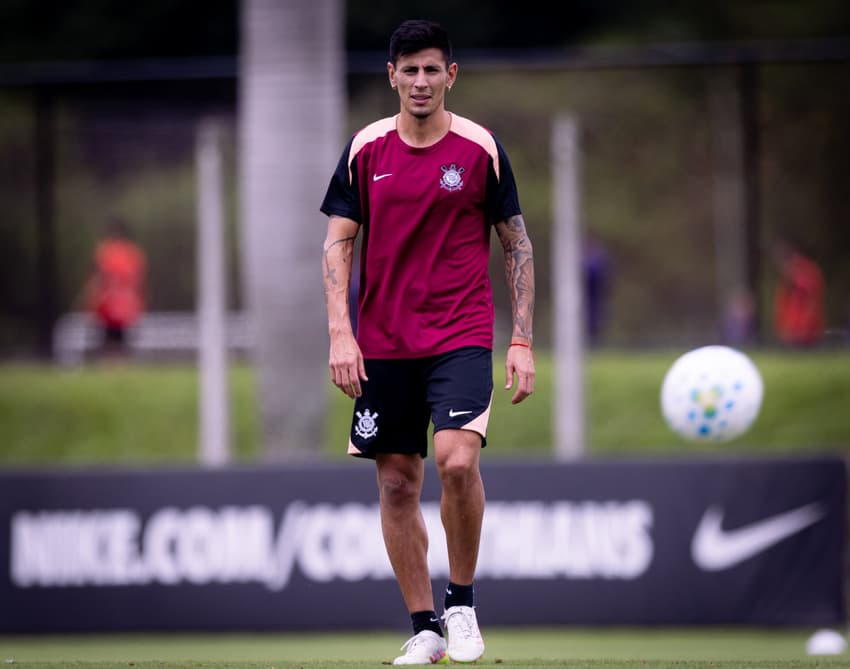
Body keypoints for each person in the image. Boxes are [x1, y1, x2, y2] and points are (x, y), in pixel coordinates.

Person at [320, 19, 535, 666]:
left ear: (451, 75)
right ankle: (425, 627)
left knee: (457, 461)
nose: (420, 81)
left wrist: (521, 338)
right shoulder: (365, 149)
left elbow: (517, 243)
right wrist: (340, 330)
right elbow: (338, 241)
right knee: (395, 482)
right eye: (408, 69)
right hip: (382, 339)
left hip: (460, 332)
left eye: (431, 69)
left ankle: (462, 600)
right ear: (391, 76)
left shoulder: (479, 148)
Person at [83, 218, 147, 358]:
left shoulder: (105, 252)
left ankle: (111, 367)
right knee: (120, 342)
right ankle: (118, 367)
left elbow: (97, 280)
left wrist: (90, 301)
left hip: (109, 304)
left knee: (109, 342)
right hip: (126, 306)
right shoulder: (133, 253)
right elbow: (139, 283)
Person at [771, 238, 825, 347]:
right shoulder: (789, 278)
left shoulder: (805, 273)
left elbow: (811, 303)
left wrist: (803, 328)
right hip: (792, 332)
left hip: (804, 334)